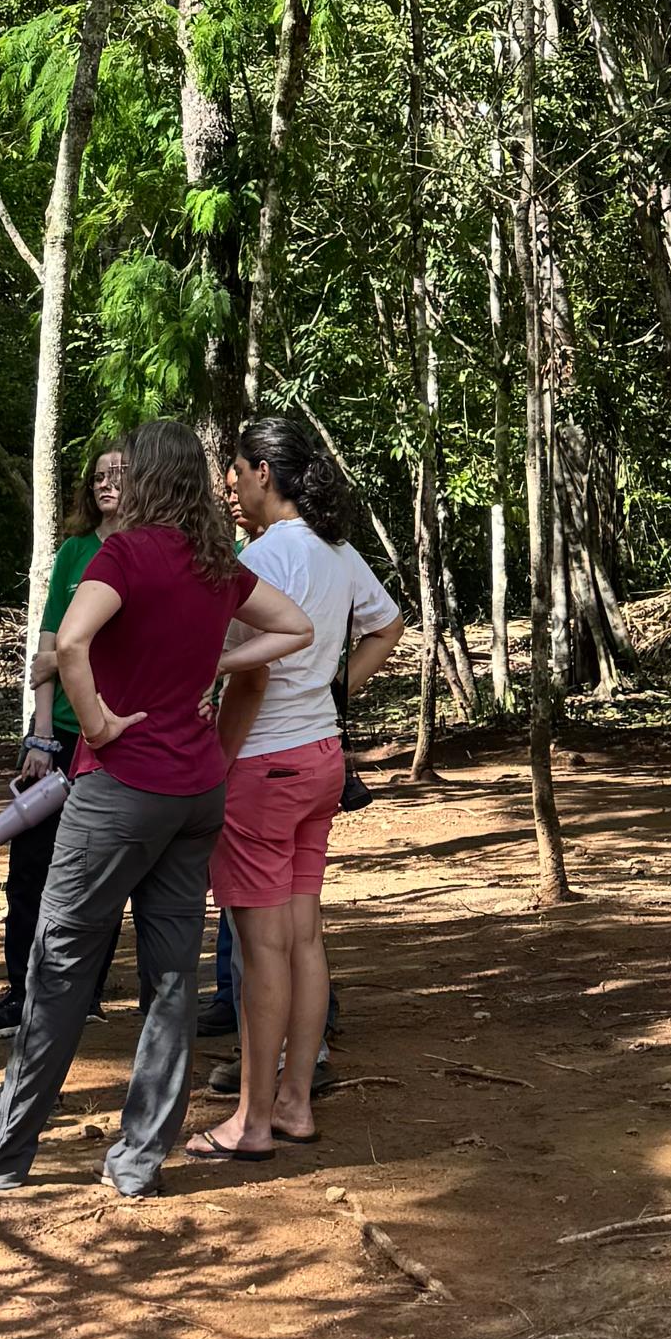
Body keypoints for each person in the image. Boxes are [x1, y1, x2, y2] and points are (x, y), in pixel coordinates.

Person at [0, 415, 306, 1206]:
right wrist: (219, 662)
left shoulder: (124, 553)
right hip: (195, 791)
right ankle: (137, 1161)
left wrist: (92, 724)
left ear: (147, 478)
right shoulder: (213, 562)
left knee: (58, 968)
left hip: (121, 789)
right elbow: (297, 627)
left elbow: (71, 644)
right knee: (168, 981)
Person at [191, 413, 401, 1161]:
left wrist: (217, 758)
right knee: (304, 933)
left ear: (263, 473)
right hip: (320, 759)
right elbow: (389, 623)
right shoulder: (337, 550)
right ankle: (293, 1102)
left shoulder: (264, 558)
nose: (230, 488)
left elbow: (248, 677)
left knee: (261, 947)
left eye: (237, 474)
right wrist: (335, 688)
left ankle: (249, 1120)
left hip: (263, 763)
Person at [0, 433, 132, 1039]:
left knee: (100, 872)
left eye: (118, 472)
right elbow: (45, 654)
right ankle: (23, 992)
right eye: (97, 475)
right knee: (31, 870)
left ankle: (84, 992)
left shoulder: (150, 554)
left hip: (116, 740)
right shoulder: (73, 554)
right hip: (60, 738)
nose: (105, 482)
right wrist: (40, 735)